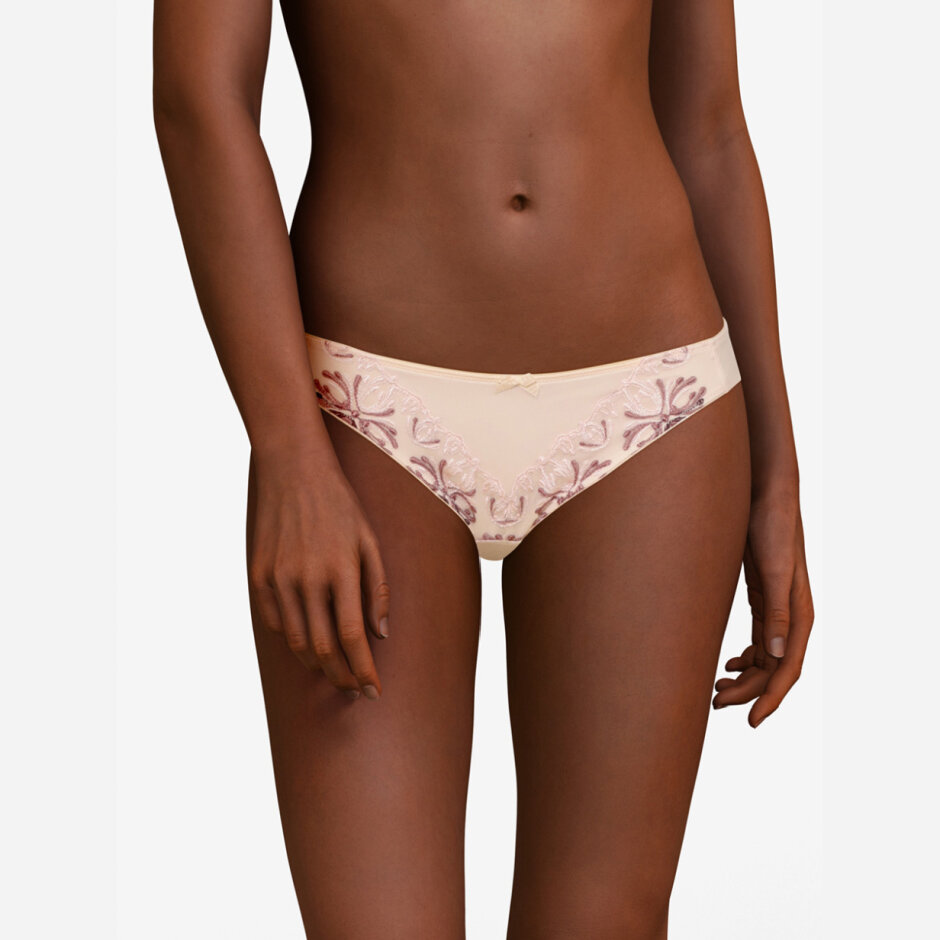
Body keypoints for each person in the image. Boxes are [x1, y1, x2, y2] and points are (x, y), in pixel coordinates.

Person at [153, 0, 814, 936]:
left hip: (654, 404)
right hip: (364, 409)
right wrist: (289, 452)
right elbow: (199, 99)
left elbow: (707, 125)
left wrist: (778, 478)